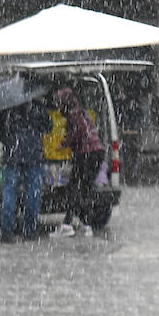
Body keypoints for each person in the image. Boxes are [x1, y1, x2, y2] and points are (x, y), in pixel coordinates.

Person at [0, 96, 53, 242]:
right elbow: (49, 126)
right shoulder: (37, 105)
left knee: (9, 192)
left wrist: (7, 137)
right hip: (33, 154)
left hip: (12, 153)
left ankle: (7, 231)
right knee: (33, 193)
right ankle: (29, 231)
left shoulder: (6, 105)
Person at [52, 86, 104, 238]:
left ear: (64, 102)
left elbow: (80, 131)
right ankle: (86, 225)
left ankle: (68, 225)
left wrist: (64, 144)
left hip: (87, 154)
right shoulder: (81, 111)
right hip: (96, 153)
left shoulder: (74, 114)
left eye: (58, 102)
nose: (57, 105)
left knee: (75, 189)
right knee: (84, 190)